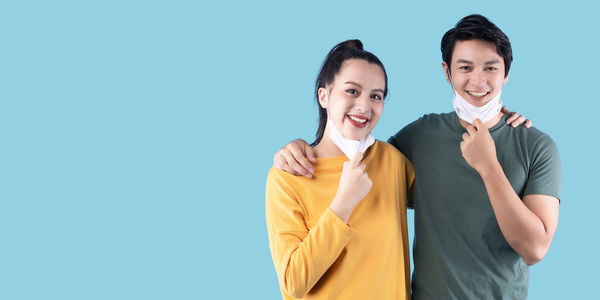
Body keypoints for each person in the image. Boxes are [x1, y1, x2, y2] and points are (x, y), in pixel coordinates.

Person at [272, 15, 561, 299]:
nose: (478, 80)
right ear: (447, 72)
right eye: (465, 67)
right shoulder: (409, 144)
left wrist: (489, 163)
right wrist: (296, 149)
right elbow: (293, 282)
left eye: (376, 96)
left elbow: (534, 249)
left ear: (506, 73)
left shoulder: (535, 146)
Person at [265, 40, 414, 299]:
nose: (364, 106)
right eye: (352, 91)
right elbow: (293, 282)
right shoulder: (288, 177)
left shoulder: (392, 161)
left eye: (375, 96)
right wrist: (343, 202)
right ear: (324, 96)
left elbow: (448, 201)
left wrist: (498, 124)